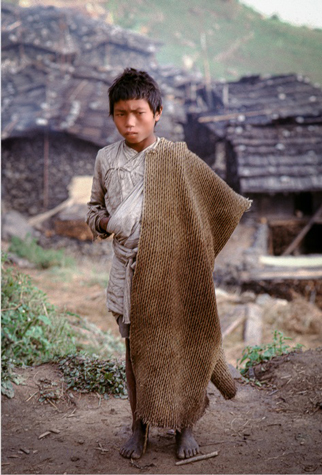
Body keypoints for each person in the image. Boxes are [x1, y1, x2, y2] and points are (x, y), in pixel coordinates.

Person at [86, 68, 251, 460]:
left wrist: (196, 250)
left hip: (177, 272)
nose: (130, 122)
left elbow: (218, 202)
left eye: (139, 112)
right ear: (112, 115)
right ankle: (139, 425)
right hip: (129, 272)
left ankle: (185, 426)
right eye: (121, 113)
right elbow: (93, 210)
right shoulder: (106, 160)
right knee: (136, 351)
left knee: (184, 345)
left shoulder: (179, 158)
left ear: (157, 112)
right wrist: (108, 222)